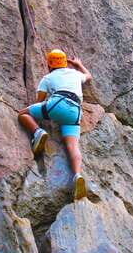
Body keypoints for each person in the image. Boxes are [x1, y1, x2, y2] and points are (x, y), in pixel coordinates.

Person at [18, 49, 92, 200]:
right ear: (65, 63)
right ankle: (77, 175)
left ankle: (38, 133)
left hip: (57, 104)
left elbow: (39, 101)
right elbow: (88, 77)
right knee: (72, 146)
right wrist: (79, 65)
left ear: (49, 64)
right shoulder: (75, 73)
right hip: (75, 112)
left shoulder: (48, 78)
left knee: (23, 114)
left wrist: (37, 110)